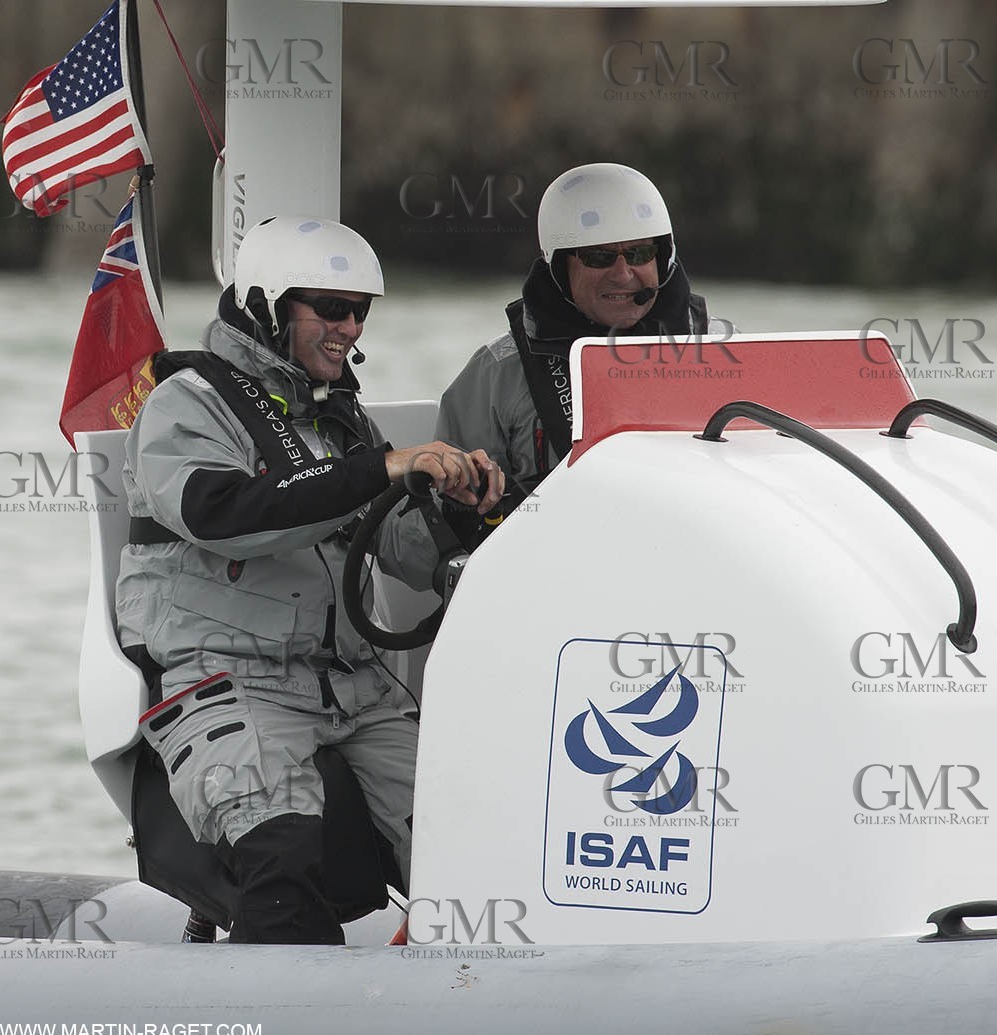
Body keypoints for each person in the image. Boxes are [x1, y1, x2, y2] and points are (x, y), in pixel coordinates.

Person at [116, 215, 503, 944]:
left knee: (482, 849)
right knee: (283, 863)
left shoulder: (339, 416)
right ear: (267, 306)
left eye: (359, 311)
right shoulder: (186, 403)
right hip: (230, 679)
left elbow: (395, 545)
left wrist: (459, 506)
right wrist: (379, 469)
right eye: (330, 308)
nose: (348, 327)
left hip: (356, 688)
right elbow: (223, 513)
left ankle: (466, 991)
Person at [435, 162, 718, 545]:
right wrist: (462, 506)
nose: (623, 274)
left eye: (639, 253)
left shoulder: (725, 351)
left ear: (663, 258)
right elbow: (419, 551)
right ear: (559, 267)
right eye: (599, 257)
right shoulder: (496, 373)